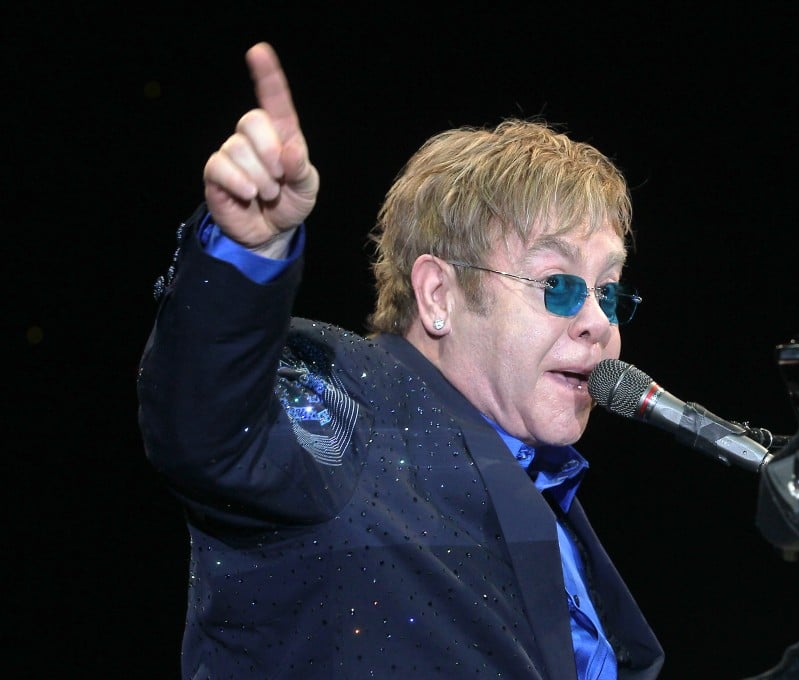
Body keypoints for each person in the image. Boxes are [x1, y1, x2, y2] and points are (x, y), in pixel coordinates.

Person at [137, 42, 664, 679]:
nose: (598, 322)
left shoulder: (549, 498)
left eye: (609, 291)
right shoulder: (348, 408)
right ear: (439, 296)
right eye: (558, 284)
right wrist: (245, 252)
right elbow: (209, 425)